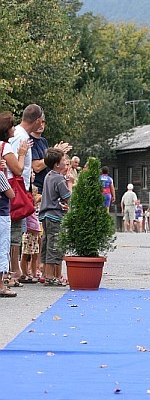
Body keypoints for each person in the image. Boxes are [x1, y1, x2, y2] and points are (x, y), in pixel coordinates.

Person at [1, 108, 39, 284]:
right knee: (12, 231)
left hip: (11, 188)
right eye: (11, 127)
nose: (14, 129)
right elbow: (16, 169)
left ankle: (10, 271)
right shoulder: (8, 144)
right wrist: (22, 155)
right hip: (10, 190)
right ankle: (11, 272)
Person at [39, 148, 72, 286]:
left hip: (46, 215)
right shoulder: (59, 178)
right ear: (57, 164)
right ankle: (51, 276)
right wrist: (69, 183)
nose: (66, 162)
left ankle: (46, 273)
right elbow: (67, 196)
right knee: (55, 245)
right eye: (64, 160)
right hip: (55, 216)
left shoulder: (49, 175)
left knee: (47, 243)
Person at [0, 169, 16, 297]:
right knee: (2, 248)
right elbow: (11, 194)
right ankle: (1, 286)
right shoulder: (0, 175)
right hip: (1, 216)